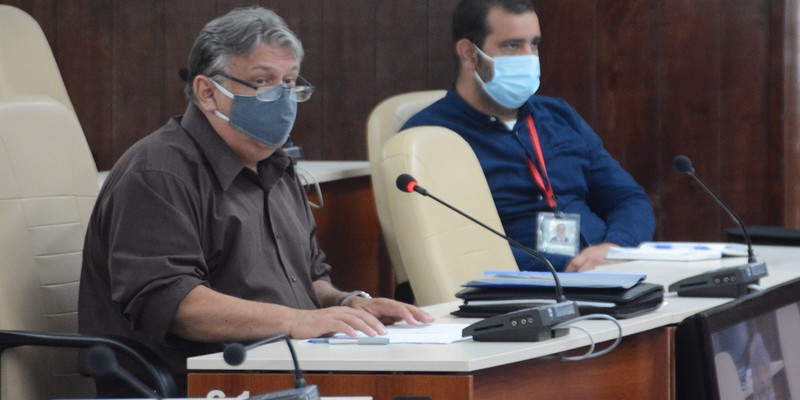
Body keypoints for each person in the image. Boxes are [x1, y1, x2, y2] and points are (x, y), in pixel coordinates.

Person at [78, 7, 433, 396]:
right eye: (262, 81)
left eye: (290, 82)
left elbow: (309, 280)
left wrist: (349, 304)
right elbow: (173, 305)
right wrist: (295, 321)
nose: (282, 97)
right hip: (197, 385)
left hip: (285, 374)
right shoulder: (157, 173)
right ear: (208, 92)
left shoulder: (277, 167)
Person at [402, 0, 655, 272]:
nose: (529, 57)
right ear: (469, 54)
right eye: (512, 46)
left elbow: (629, 199)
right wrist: (566, 267)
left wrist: (615, 247)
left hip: (610, 269)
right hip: (526, 288)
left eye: (534, 44)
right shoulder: (429, 137)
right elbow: (452, 245)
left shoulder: (559, 116)